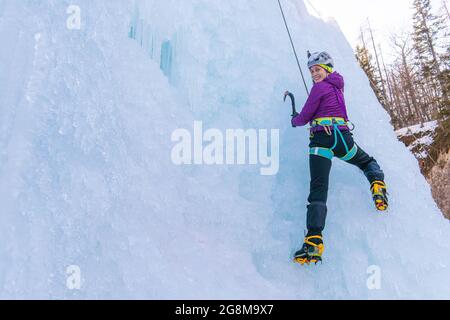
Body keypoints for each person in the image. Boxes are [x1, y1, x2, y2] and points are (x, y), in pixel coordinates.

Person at [290, 51, 388, 265]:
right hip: (342, 139)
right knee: (367, 162)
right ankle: (378, 186)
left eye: (318, 70)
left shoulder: (319, 87)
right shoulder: (338, 85)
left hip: (321, 142)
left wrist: (294, 120)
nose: (314, 74)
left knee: (318, 189)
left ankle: (314, 240)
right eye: (312, 71)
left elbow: (305, 115)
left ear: (327, 70)